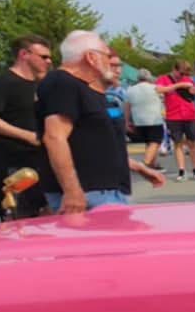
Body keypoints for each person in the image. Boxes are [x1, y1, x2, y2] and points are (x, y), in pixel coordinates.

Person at [39, 31, 161, 213]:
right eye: (106, 56)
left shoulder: (86, 89)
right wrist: (72, 190)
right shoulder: (62, 83)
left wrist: (138, 167)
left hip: (107, 191)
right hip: (91, 192)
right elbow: (55, 137)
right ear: (91, 57)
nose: (109, 64)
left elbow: (94, 142)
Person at [0, 36, 53, 219]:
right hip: (15, 164)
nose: (48, 62)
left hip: (41, 160)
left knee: (47, 217)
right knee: (22, 219)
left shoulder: (40, 84)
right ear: (24, 54)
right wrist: (26, 135)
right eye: (43, 57)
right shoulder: (5, 83)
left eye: (49, 57)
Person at [157, 60, 195, 180]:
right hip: (173, 115)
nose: (183, 76)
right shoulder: (164, 78)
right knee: (178, 143)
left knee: (193, 143)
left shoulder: (188, 79)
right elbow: (159, 90)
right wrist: (178, 85)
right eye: (181, 73)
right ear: (175, 69)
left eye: (185, 74)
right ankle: (182, 170)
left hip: (190, 114)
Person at [125, 69, 167, 170]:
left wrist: (127, 121)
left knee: (149, 142)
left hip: (138, 120)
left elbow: (127, 107)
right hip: (154, 119)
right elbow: (163, 100)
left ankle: (153, 163)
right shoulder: (155, 88)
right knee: (155, 141)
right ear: (149, 78)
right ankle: (145, 163)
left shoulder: (130, 90)